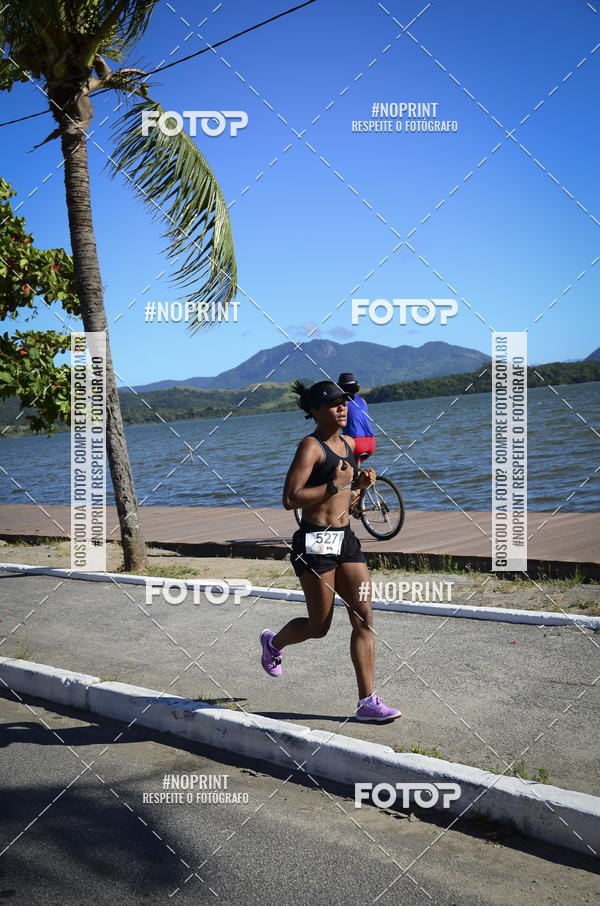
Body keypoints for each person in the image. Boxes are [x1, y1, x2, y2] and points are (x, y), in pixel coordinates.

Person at [259, 379, 401, 723]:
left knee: (363, 616)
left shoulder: (350, 444)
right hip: (316, 541)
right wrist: (335, 483)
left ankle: (367, 701)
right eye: (335, 403)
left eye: (345, 403)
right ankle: (274, 643)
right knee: (319, 625)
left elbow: (346, 502)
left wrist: (359, 488)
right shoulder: (311, 447)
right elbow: (290, 498)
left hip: (346, 539)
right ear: (316, 411)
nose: (343, 408)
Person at [337, 372, 375, 459]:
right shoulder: (362, 400)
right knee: (353, 469)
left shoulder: (342, 402)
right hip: (371, 442)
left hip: (355, 442)